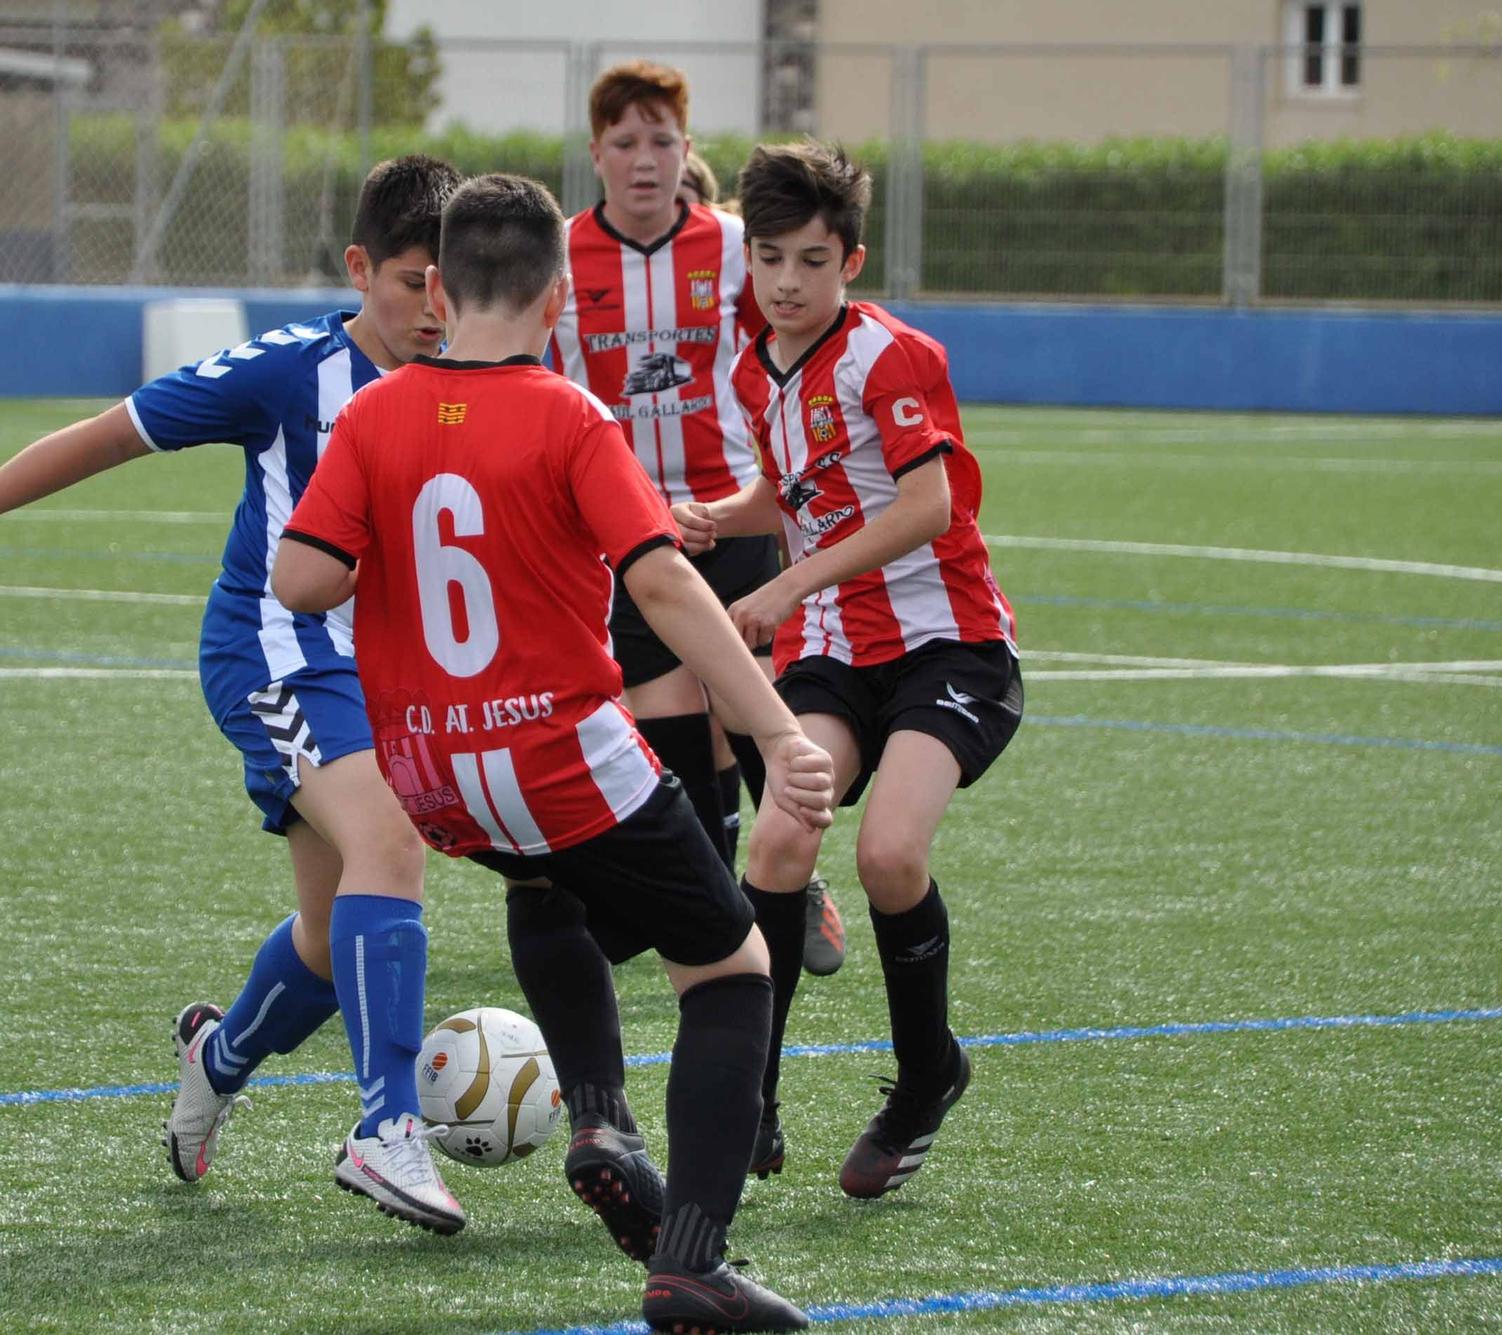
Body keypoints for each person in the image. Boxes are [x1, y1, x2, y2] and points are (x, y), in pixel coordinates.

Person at [273, 173, 828, 1333]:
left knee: (539, 879)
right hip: (557, 750)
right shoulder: (572, 415)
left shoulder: (372, 416)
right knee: (730, 974)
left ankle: (594, 1117)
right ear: (558, 294)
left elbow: (303, 579)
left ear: (435, 284)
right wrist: (774, 735)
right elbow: (663, 580)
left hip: (430, 772)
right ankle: (693, 1261)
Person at [0, 155, 468, 1235]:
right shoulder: (285, 372)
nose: (435, 308)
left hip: (391, 678)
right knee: (390, 845)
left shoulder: (482, 377)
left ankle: (216, 1058)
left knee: (325, 932)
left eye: (454, 282)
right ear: (360, 269)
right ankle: (385, 1128)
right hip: (276, 652)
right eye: (411, 281)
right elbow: (111, 432)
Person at [674, 142, 1023, 1200]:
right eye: (767, 257)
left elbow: (927, 507)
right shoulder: (750, 366)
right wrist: (715, 516)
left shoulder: (894, 357)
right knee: (780, 835)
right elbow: (794, 490)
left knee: (885, 855)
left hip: (945, 647)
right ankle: (755, 1099)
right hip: (835, 651)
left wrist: (781, 586)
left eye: (811, 260)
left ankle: (926, 1078)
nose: (785, 282)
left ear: (851, 262)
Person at [552, 59, 847, 1038]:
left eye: (662, 142)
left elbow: (798, 347)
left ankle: (797, 886)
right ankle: (710, 907)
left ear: (686, 154)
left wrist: (778, 483)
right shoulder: (559, 259)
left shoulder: (731, 248)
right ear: (595, 153)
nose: (644, 161)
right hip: (622, 543)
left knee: (754, 711)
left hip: (727, 522)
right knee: (672, 734)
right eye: (625, 143)